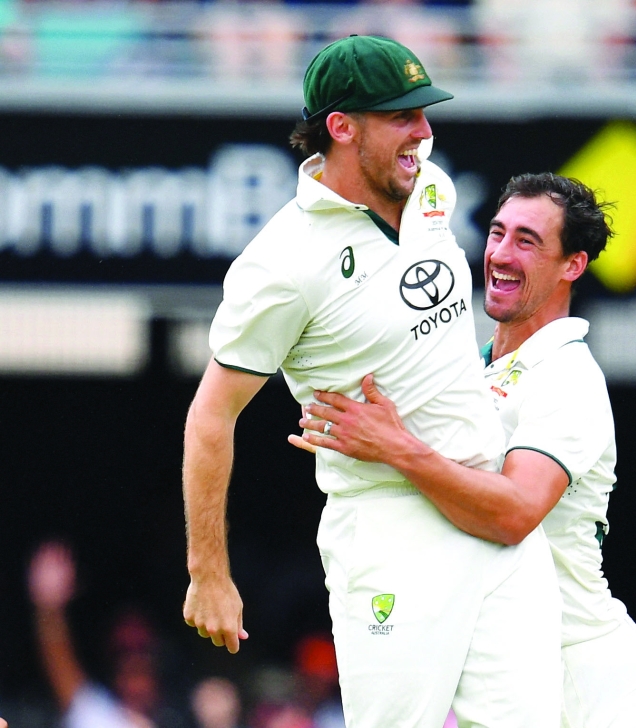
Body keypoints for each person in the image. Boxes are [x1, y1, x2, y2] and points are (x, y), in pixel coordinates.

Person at [181, 34, 562, 728]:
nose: (425, 131)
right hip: (391, 535)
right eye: (403, 117)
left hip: (491, 512)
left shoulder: (432, 188)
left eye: (425, 113)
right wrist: (209, 571)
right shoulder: (281, 264)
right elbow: (211, 416)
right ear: (342, 127)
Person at [292, 172, 636, 727]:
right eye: (497, 233)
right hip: (500, 655)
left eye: (527, 241)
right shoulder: (474, 365)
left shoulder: (568, 376)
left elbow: (514, 512)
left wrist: (395, 448)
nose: (501, 254)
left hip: (573, 670)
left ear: (573, 265)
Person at [28, 541, 186, 728]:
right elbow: (58, 661)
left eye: (142, 669)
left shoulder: (187, 714)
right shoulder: (98, 715)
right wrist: (49, 609)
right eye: (127, 669)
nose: (136, 684)